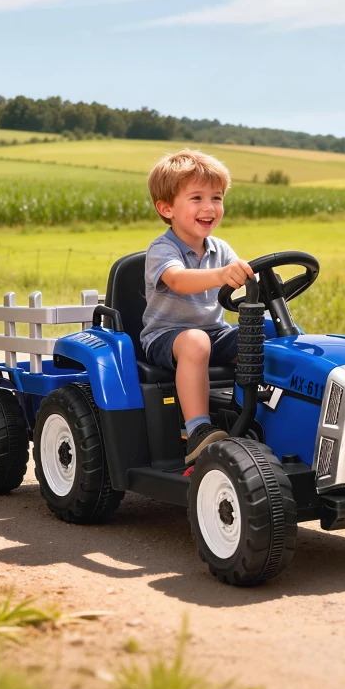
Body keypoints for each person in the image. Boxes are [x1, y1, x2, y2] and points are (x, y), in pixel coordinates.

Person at [140, 150, 254, 465]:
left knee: (266, 333)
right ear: (166, 208)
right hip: (167, 337)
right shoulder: (162, 249)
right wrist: (220, 275)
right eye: (196, 198)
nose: (209, 207)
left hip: (215, 333)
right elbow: (178, 280)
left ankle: (255, 412)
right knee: (195, 341)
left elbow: (238, 278)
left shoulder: (221, 248)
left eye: (216, 198)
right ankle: (198, 430)